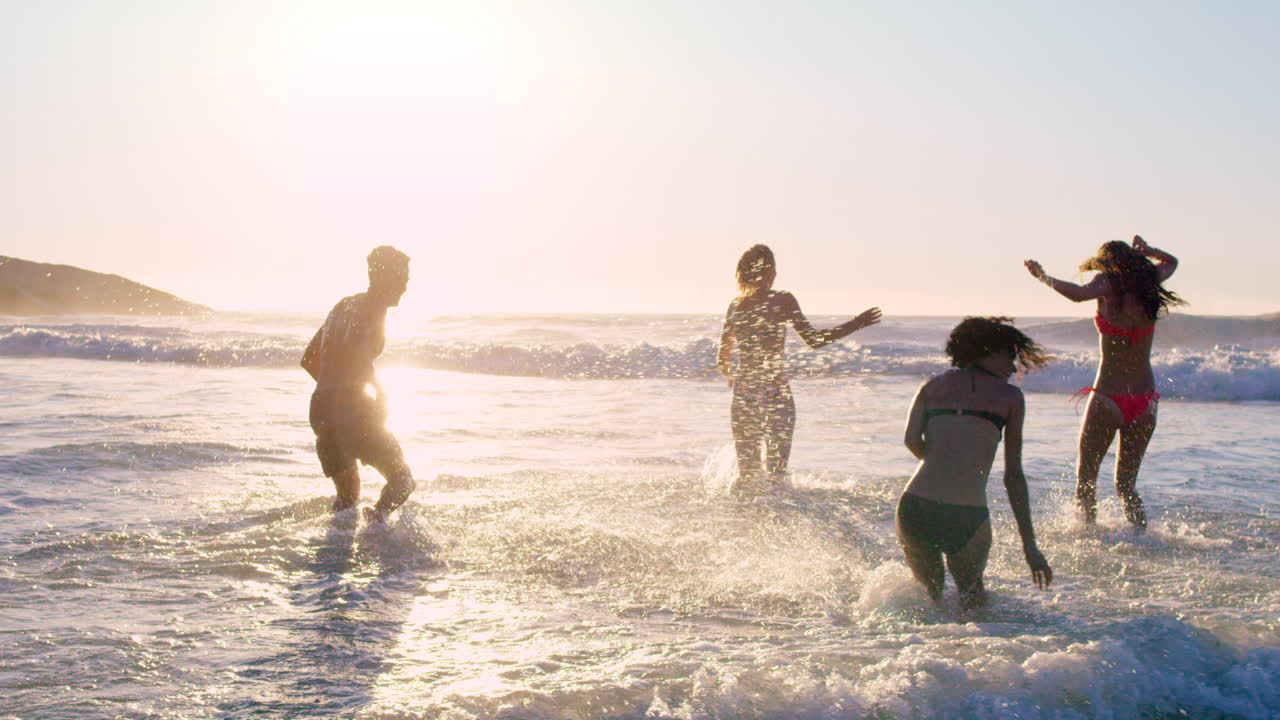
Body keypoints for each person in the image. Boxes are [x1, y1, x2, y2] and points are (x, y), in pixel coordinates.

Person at [1025, 236, 1182, 529]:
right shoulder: (1149, 283)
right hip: (1145, 400)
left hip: (1109, 396)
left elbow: (1077, 294)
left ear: (1107, 262)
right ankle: (1142, 538)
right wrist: (1149, 251)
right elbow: (1171, 262)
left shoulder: (1108, 285)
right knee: (1126, 485)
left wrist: (1043, 277)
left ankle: (1088, 539)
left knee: (1086, 479)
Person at [898, 317, 1053, 609]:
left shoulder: (930, 386)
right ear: (988, 351)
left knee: (928, 602)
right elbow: (1014, 476)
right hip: (966, 515)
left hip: (915, 507)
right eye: (1009, 356)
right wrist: (1029, 547)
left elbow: (910, 440)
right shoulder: (1010, 397)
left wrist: (946, 464)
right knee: (974, 603)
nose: (1012, 367)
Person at [716, 244, 881, 496]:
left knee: (746, 475)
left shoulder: (735, 306)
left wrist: (731, 377)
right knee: (777, 475)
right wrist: (857, 323)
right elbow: (814, 340)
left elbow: (722, 358)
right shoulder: (782, 299)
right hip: (775, 392)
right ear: (769, 271)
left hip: (745, 394)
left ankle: (739, 523)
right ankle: (780, 520)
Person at [301, 246, 416, 523]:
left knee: (347, 501)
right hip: (352, 409)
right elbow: (356, 353)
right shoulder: (373, 309)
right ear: (382, 276)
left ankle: (334, 556)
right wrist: (379, 395)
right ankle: (377, 528)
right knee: (402, 480)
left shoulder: (342, 306)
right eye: (401, 277)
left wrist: (333, 390)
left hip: (321, 408)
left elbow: (309, 359)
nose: (405, 285)